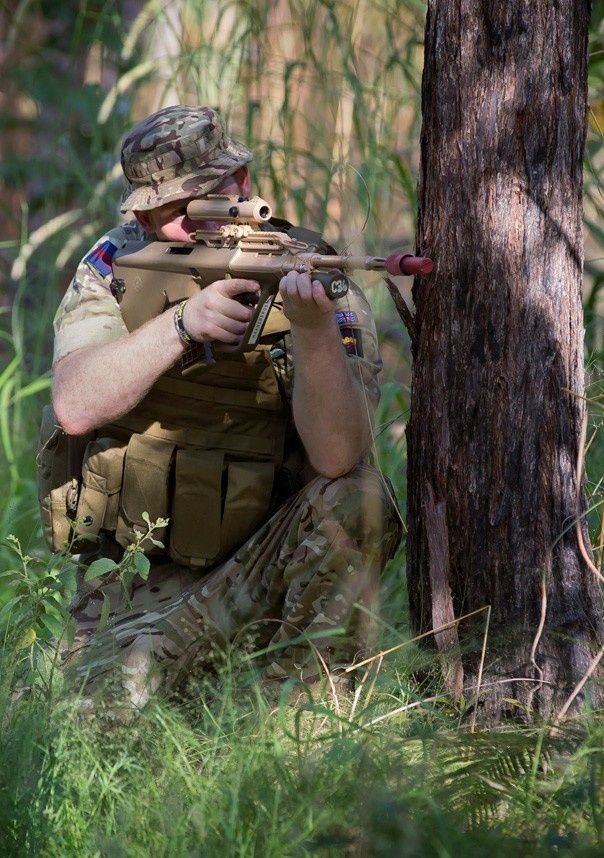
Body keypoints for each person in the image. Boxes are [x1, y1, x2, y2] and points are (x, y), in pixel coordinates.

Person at [44, 104, 401, 711]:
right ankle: (210, 704)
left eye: (198, 203)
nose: (183, 225)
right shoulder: (113, 265)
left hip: (259, 578)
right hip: (136, 596)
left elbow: (340, 456)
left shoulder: (310, 266)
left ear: (239, 184)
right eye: (164, 212)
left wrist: (313, 330)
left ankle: (298, 713)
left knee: (360, 501)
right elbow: (76, 404)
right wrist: (182, 325)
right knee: (87, 731)